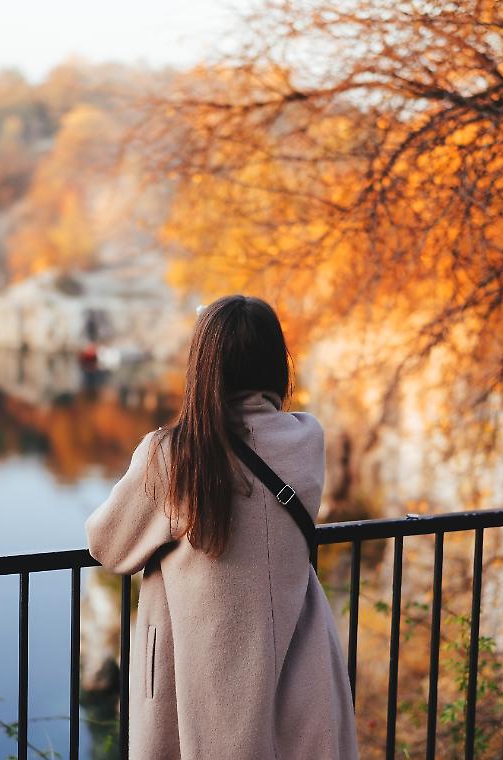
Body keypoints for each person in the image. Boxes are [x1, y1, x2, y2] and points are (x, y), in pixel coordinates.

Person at [84, 295, 360, 760]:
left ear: (204, 365)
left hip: (195, 689)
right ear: (276, 364)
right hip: (296, 673)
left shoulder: (175, 455)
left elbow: (106, 545)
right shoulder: (306, 439)